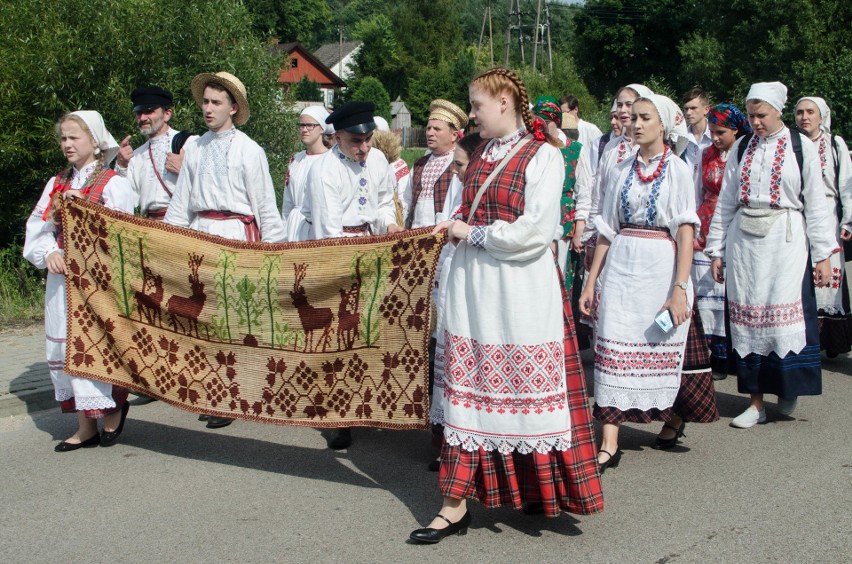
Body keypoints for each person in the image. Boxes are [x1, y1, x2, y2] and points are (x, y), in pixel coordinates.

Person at [410, 67, 603, 544]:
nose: (471, 114)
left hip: (519, 291)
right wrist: (450, 232)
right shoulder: (476, 156)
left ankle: (537, 491)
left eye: (476, 105)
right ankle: (453, 506)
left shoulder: (545, 156)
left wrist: (469, 233)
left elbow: (537, 233)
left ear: (503, 102)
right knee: (469, 393)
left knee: (520, 396)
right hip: (473, 287)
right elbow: (460, 211)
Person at [579, 94, 718, 470]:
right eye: (633, 118)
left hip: (660, 264)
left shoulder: (676, 169)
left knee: (663, 342)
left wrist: (679, 288)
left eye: (644, 118)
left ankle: (674, 414)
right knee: (612, 344)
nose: (635, 124)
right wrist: (591, 282)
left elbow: (685, 230)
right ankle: (610, 439)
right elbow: (606, 228)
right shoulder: (621, 168)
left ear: (664, 125)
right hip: (622, 265)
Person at [705, 82, 837, 428]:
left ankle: (787, 387)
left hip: (785, 239)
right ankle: (755, 402)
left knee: (782, 320)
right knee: (748, 320)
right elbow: (727, 201)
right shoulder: (742, 147)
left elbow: (817, 204)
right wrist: (717, 250)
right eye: (751, 115)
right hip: (745, 242)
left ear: (779, 110)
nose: (756, 121)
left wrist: (823, 255)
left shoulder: (800, 147)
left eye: (761, 115)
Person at [165, 71, 286, 429]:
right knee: (206, 318)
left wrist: (272, 253)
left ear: (233, 108)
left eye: (216, 102)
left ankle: (235, 392)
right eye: (205, 101)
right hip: (202, 236)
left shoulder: (250, 150)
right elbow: (181, 203)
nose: (208, 108)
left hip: (236, 236)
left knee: (235, 320)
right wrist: (169, 242)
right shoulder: (196, 149)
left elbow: (266, 206)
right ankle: (214, 391)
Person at [24, 111, 136, 451]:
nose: (68, 144)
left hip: (99, 283)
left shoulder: (113, 183)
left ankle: (113, 409)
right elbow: (36, 228)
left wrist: (87, 214)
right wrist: (49, 253)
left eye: (74, 137)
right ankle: (85, 425)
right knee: (68, 349)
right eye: (63, 138)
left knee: (100, 346)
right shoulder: (56, 183)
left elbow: (124, 237)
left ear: (95, 142)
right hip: (63, 284)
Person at [300, 101, 401, 449]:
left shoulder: (377, 160)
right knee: (338, 334)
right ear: (337, 137)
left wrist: (389, 224)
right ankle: (338, 413)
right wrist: (348, 267)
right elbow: (328, 231)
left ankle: (370, 401)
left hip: (371, 246)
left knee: (371, 329)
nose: (365, 147)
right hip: (339, 252)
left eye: (369, 139)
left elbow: (386, 199)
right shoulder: (323, 171)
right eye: (356, 141)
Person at [427, 131, 482, 471]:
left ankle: (468, 441)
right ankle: (445, 437)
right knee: (446, 353)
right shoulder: (459, 185)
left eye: (460, 165)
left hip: (475, 279)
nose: (456, 172)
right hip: (452, 272)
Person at [693, 104, 752, 376]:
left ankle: (733, 353)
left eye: (721, 132)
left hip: (733, 222)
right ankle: (712, 355)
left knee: (729, 290)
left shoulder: (744, 153)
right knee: (706, 291)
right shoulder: (705, 155)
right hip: (706, 222)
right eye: (713, 132)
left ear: (736, 130)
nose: (715, 138)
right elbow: (697, 190)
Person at [794, 96, 852, 358]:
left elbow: (846, 184)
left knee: (829, 278)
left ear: (822, 116)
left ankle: (831, 341)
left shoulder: (833, 143)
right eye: (799, 112)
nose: (804, 117)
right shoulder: (793, 144)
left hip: (828, 215)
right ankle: (807, 339)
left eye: (810, 112)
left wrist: (848, 218)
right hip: (800, 214)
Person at [115, 85, 195, 221]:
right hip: (150, 227)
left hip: (184, 224)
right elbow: (125, 199)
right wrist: (122, 165)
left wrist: (183, 170)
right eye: (139, 113)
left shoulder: (190, 143)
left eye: (149, 111)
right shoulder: (136, 155)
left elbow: (212, 187)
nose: (143, 118)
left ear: (167, 114)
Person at [400, 99, 469, 230]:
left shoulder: (460, 164)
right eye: (428, 128)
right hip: (415, 237)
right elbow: (407, 199)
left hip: (445, 238)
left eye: (437, 129)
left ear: (454, 135)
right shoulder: (419, 164)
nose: (430, 133)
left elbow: (461, 203)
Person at [282, 106, 333, 242]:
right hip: (293, 225)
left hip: (317, 227)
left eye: (309, 125)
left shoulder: (330, 160)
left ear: (322, 128)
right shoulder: (296, 159)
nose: (304, 129)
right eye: (301, 125)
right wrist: (283, 227)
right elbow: (287, 201)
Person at [682, 88, 713, 177]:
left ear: (706, 109)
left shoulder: (715, 136)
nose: (688, 112)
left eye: (693, 108)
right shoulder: (680, 139)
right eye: (686, 109)